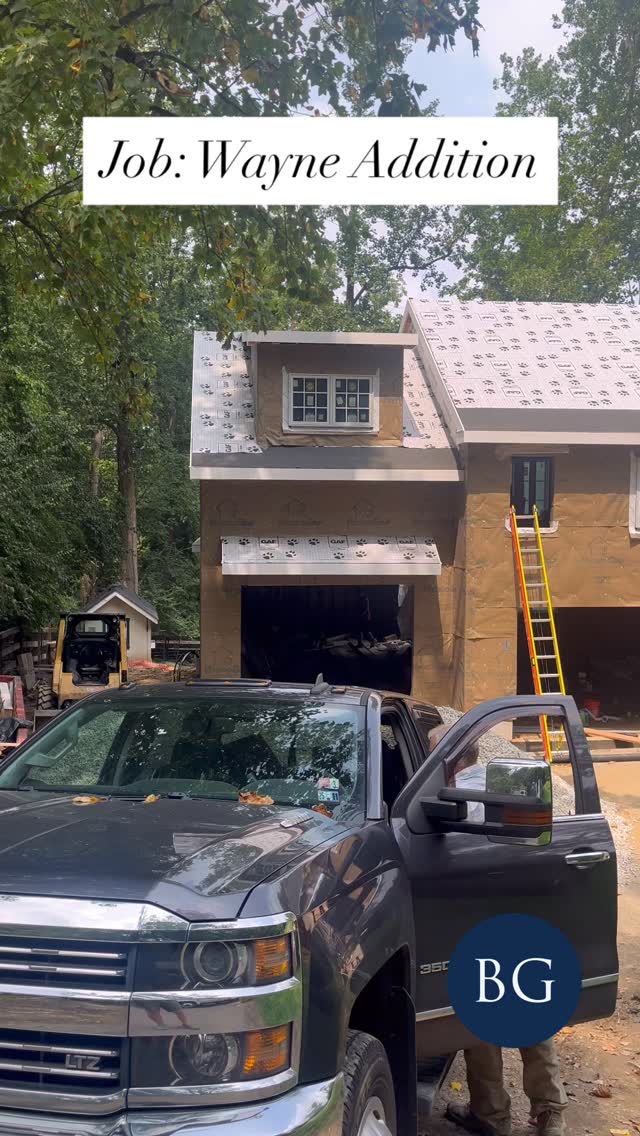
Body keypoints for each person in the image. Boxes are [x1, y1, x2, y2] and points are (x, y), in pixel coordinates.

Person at [427, 722, 568, 1136]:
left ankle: (491, 1116)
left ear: (447, 760)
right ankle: (551, 1114)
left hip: (475, 919)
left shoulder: (445, 800)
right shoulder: (512, 786)